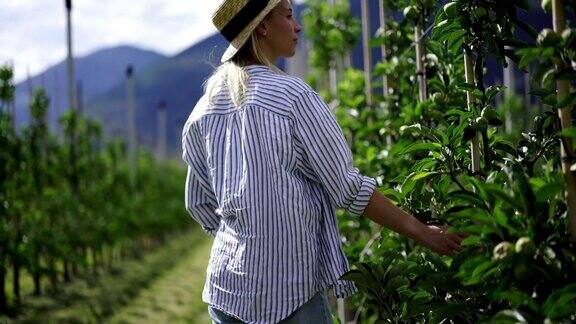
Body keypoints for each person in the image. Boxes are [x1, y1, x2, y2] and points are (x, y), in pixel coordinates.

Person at [181, 0, 465, 323]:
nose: (297, 26)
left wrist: (247, 235)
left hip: (227, 288)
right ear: (262, 27)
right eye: (288, 16)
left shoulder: (203, 110)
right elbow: (348, 189)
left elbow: (199, 202)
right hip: (288, 294)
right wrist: (424, 232)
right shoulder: (293, 98)